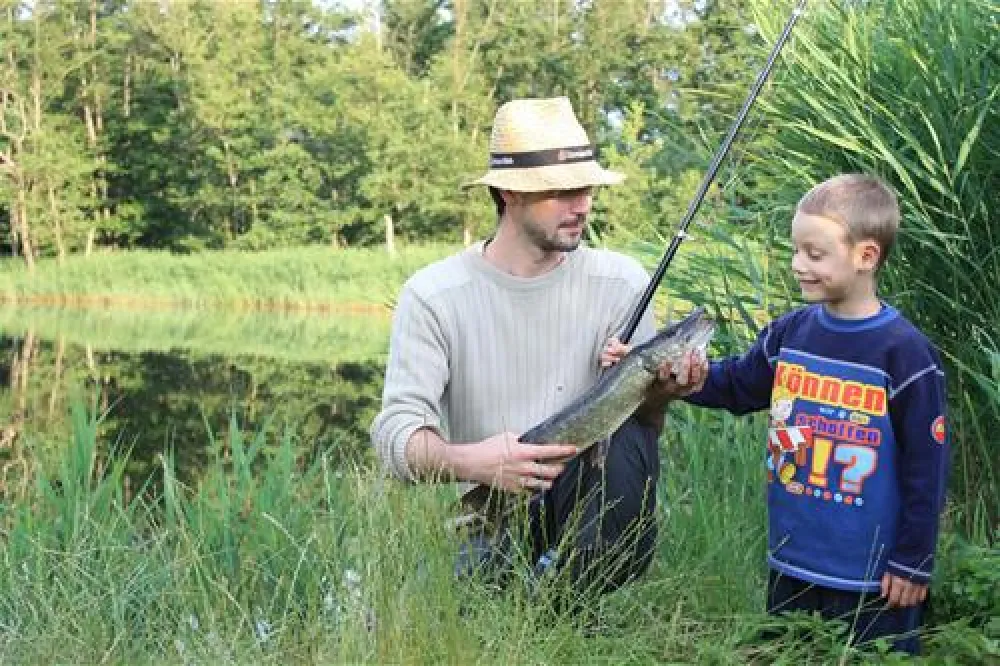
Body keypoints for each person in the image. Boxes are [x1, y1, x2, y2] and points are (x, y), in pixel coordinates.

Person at [369, 96, 705, 597]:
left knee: (628, 443)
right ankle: (520, 595)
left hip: (585, 497)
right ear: (510, 193)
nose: (583, 205)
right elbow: (394, 439)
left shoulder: (620, 281)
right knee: (445, 602)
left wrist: (659, 393)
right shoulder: (433, 295)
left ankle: (567, 608)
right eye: (563, 192)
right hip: (494, 512)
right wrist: (473, 463)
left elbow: (643, 432)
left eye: (586, 188)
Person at [662, 173, 949, 655]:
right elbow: (736, 385)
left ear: (866, 256)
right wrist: (673, 377)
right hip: (792, 564)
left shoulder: (905, 354)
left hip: (875, 580)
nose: (799, 265)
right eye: (796, 251)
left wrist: (912, 561)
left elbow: (928, 470)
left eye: (815, 255)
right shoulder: (789, 334)